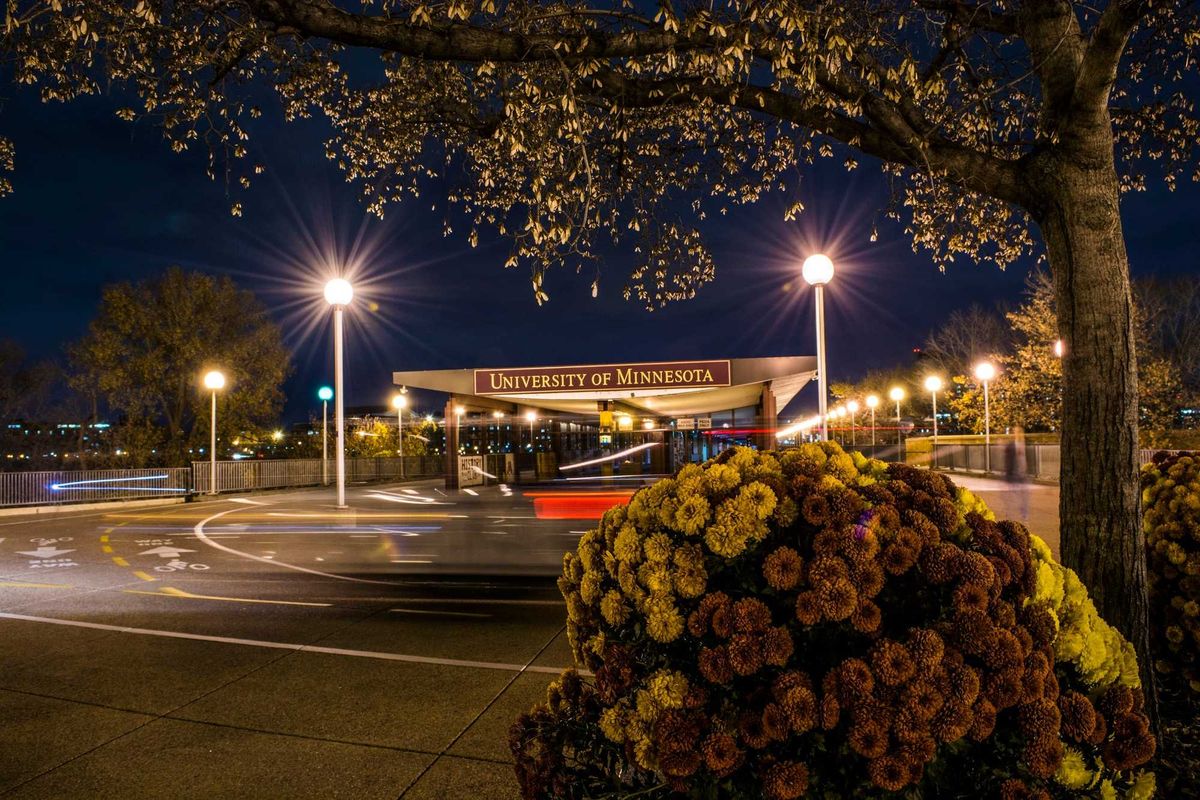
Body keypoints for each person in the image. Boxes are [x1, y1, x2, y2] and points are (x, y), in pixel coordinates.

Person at [1003, 426, 1029, 523]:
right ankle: (1009, 517)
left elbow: (1025, 459)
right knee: (1010, 497)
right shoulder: (1010, 445)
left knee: (1024, 497)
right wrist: (1007, 476)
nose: (1015, 433)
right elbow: (1007, 461)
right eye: (1014, 432)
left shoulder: (1024, 444)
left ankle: (1024, 516)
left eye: (1017, 432)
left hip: (1022, 475)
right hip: (1013, 475)